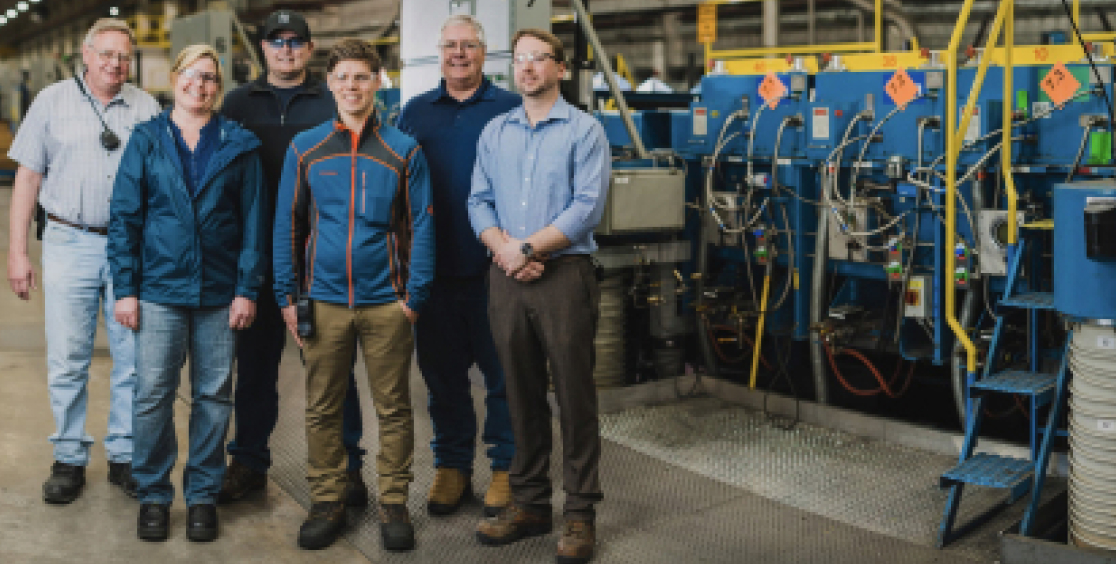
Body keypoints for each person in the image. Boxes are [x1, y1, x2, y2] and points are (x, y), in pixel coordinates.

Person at [273, 38, 434, 552]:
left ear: (378, 82)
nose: (351, 86)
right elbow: (288, 225)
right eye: (342, 77)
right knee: (321, 408)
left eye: (361, 77)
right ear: (329, 84)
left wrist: (414, 297)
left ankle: (393, 503)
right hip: (322, 300)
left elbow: (423, 226)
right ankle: (328, 500)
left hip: (387, 301)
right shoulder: (306, 148)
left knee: (393, 409)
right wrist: (286, 295)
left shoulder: (403, 150)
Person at [108, 44, 266, 543]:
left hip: (220, 294)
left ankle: (201, 494)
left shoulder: (240, 145)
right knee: (152, 394)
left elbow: (254, 226)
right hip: (157, 290)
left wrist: (246, 289)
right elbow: (125, 219)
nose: (200, 86)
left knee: (214, 397)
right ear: (175, 78)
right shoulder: (146, 140)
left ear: (219, 87)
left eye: (211, 79)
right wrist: (126, 288)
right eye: (193, 76)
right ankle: (154, 493)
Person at [468, 28, 610, 564]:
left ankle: (579, 513)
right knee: (516, 390)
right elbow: (478, 200)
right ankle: (529, 504)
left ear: (561, 69)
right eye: (520, 60)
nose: (526, 68)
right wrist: (505, 250)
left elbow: (586, 208)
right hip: (506, 275)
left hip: (563, 275)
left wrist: (526, 247)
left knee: (573, 396)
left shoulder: (584, 130)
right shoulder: (495, 132)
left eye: (539, 59)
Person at [218, 8, 369, 508]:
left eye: (294, 42)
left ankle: (348, 466)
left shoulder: (332, 100)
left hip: (319, 258)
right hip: (256, 257)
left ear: (308, 49)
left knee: (331, 368)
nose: (285, 50)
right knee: (254, 367)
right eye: (276, 42)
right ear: (262, 49)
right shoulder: (237, 103)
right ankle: (248, 461)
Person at [6, 18, 159, 505]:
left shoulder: (146, 106)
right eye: (106, 54)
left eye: (123, 55)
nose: (115, 63)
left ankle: (125, 455)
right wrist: (17, 254)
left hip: (130, 248)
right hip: (69, 241)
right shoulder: (50, 102)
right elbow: (27, 180)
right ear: (86, 55)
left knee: (131, 358)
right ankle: (69, 456)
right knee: (68, 357)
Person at [395, 14, 520, 518]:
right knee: (442, 377)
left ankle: (507, 467)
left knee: (504, 377)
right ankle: (451, 466)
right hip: (436, 273)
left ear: (483, 53)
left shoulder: (510, 108)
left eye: (469, 46)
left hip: (498, 270)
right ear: (439, 54)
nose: (459, 54)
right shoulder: (416, 112)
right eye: (450, 46)